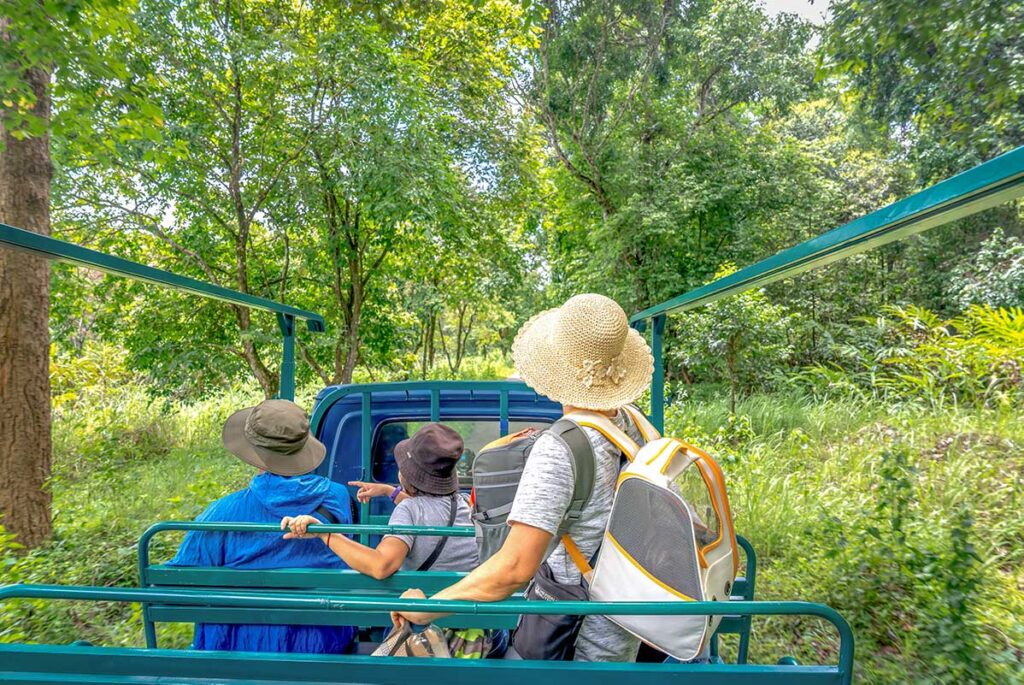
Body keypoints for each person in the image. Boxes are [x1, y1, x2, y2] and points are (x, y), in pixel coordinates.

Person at [390, 293, 656, 662]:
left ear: (556, 367)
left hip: (575, 641)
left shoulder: (562, 447)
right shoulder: (635, 425)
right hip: (628, 629)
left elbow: (514, 568)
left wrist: (427, 608)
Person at [167, 399, 357, 654]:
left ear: (255, 454)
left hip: (235, 647)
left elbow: (178, 586)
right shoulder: (338, 497)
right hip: (322, 643)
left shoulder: (222, 513)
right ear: (304, 448)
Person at [280, 422, 478, 577]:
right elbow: (428, 512)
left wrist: (325, 533)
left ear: (406, 475)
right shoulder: (462, 503)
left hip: (424, 607)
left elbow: (381, 566)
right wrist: (389, 491)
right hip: (466, 608)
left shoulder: (409, 510)